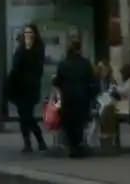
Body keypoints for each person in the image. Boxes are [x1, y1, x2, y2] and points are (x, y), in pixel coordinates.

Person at [53, 39, 98, 158]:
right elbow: (92, 80)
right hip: (82, 97)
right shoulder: (85, 63)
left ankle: (73, 147)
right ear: (79, 49)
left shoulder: (63, 63)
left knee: (69, 123)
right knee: (79, 122)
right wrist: (92, 95)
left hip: (67, 97)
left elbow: (58, 81)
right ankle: (78, 146)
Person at [7, 25, 48, 153]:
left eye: (30, 33)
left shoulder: (36, 50)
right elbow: (16, 67)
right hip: (21, 88)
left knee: (26, 116)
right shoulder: (22, 49)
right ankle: (31, 142)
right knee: (24, 116)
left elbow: (35, 69)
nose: (27, 35)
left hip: (29, 89)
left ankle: (37, 141)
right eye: (25, 33)